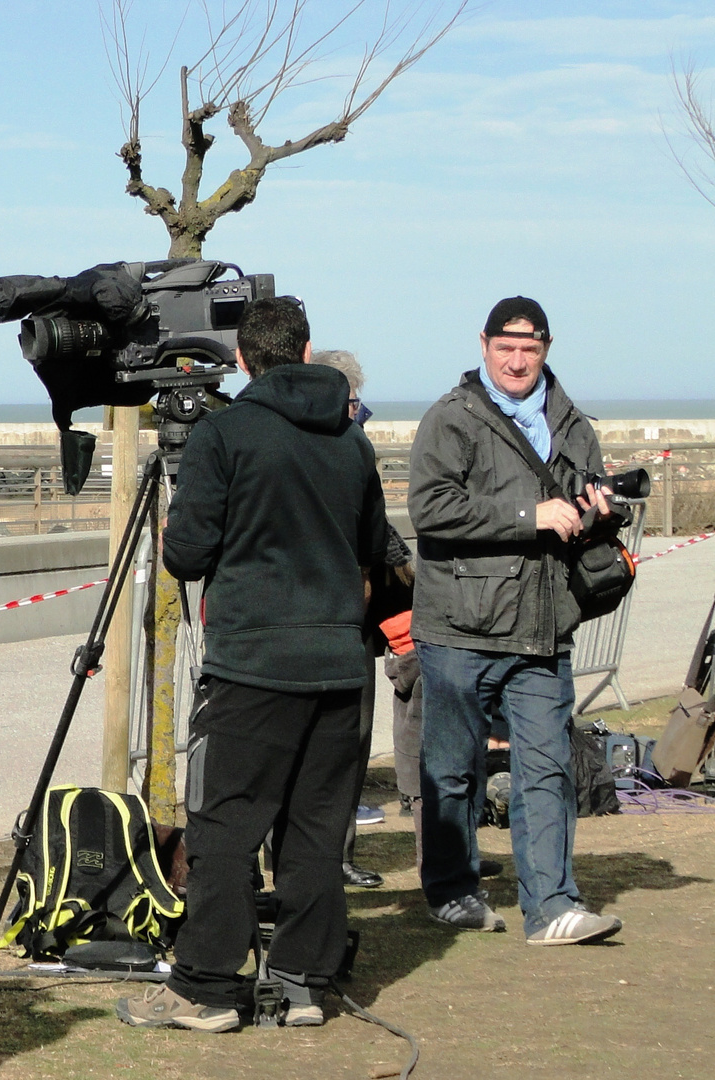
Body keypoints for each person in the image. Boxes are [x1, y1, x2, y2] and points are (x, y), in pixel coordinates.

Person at [117, 298, 387, 1033]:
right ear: (304, 354)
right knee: (315, 828)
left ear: (242, 360)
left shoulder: (225, 433)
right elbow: (373, 546)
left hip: (252, 667)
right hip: (338, 665)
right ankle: (301, 980)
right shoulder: (350, 441)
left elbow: (186, 553)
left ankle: (204, 985)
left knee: (225, 826)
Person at [409, 296, 622, 945]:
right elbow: (429, 509)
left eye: (529, 349)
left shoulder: (570, 420)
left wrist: (599, 513)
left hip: (542, 621)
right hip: (459, 626)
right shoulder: (451, 417)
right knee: (451, 766)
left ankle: (551, 904)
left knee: (546, 764)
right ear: (482, 345)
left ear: (545, 349)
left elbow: (583, 502)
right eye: (505, 347)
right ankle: (451, 890)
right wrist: (527, 516)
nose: (516, 360)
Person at [308, 349, 386, 889]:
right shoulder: (320, 450)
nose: (361, 412)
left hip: (355, 620)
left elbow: (379, 533)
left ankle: (340, 853)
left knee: (355, 742)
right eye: (355, 401)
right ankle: (310, 860)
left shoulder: (358, 448)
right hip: (322, 615)